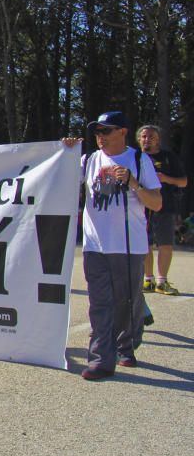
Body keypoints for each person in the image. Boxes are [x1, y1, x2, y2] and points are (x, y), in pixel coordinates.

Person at [64, 111, 162, 380]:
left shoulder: (139, 160)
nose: (100, 137)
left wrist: (132, 182)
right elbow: (59, 179)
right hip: (95, 245)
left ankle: (126, 345)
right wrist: (66, 152)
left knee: (127, 301)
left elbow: (156, 203)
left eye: (106, 131)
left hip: (129, 245)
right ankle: (100, 359)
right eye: (97, 132)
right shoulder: (88, 160)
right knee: (99, 303)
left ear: (122, 132)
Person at [137, 125, 187, 295]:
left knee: (165, 244)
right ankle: (148, 280)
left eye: (151, 136)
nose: (147, 139)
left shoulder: (168, 158)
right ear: (139, 139)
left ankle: (162, 281)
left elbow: (183, 182)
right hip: (140, 206)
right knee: (144, 245)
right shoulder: (134, 157)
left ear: (158, 140)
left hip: (165, 207)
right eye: (144, 136)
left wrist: (166, 178)